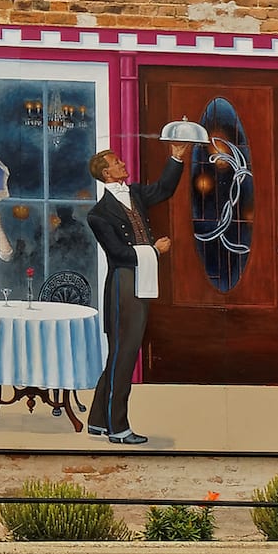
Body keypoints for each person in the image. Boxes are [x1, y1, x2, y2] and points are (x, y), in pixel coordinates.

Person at [87, 142, 184, 445]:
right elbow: (118, 254)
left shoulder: (136, 194)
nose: (123, 163)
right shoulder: (98, 214)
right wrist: (155, 250)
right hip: (123, 285)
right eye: (117, 162)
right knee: (124, 354)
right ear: (107, 173)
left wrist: (176, 157)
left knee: (120, 354)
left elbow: (165, 189)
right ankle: (118, 427)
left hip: (139, 280)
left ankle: (98, 421)